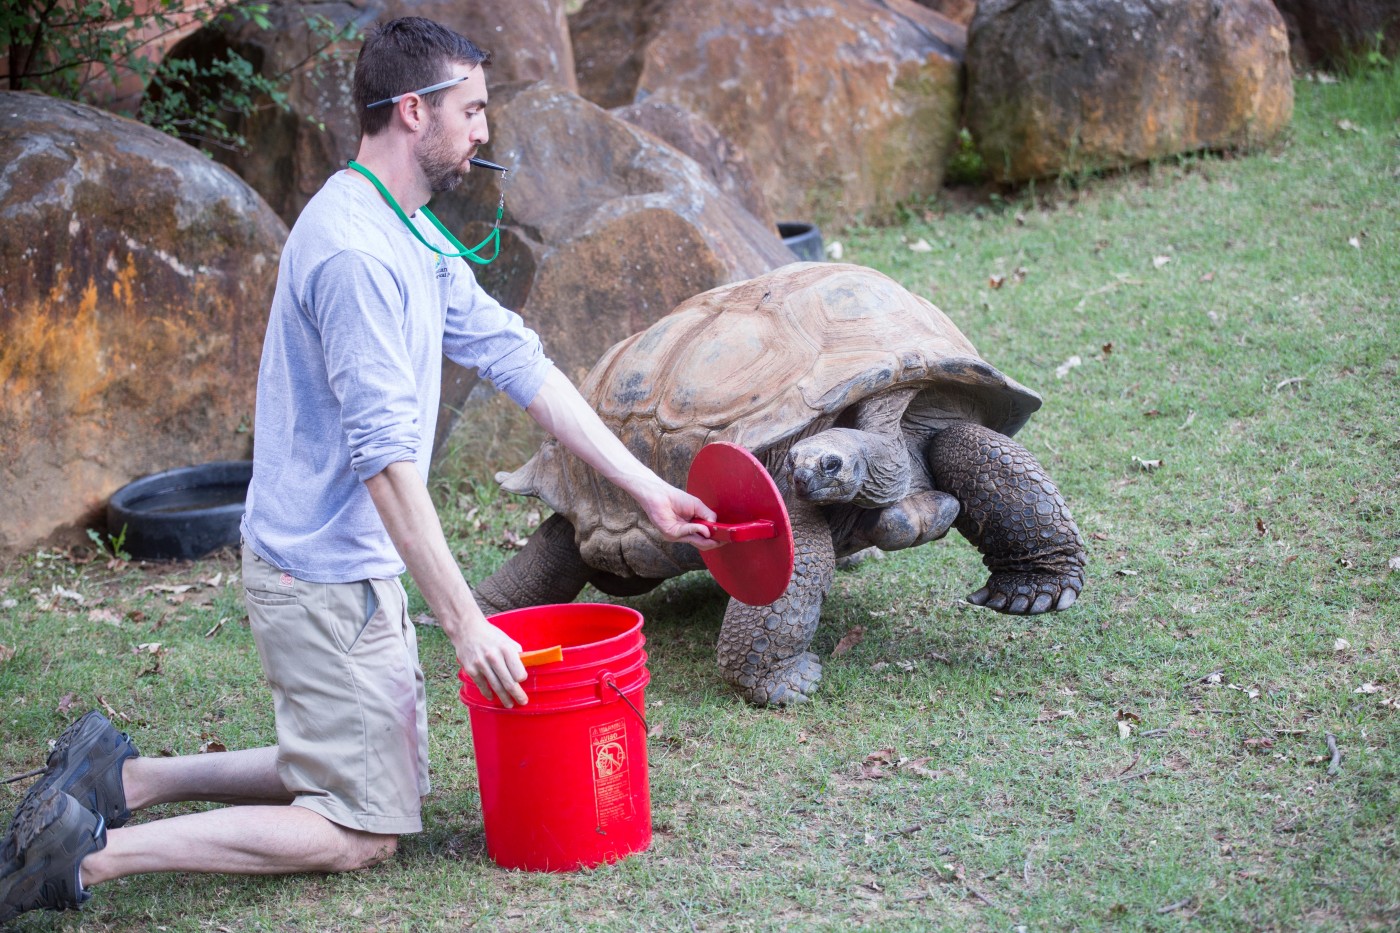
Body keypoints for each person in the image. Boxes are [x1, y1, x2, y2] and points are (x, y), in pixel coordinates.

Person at [0, 16, 716, 922]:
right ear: (413, 113)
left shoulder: (407, 229)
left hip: (347, 565)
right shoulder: (354, 254)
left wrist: (646, 489)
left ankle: (122, 776)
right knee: (365, 827)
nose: (484, 131)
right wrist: (465, 624)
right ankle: (87, 855)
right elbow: (384, 466)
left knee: (382, 771)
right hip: (324, 575)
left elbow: (518, 362)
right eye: (473, 110)